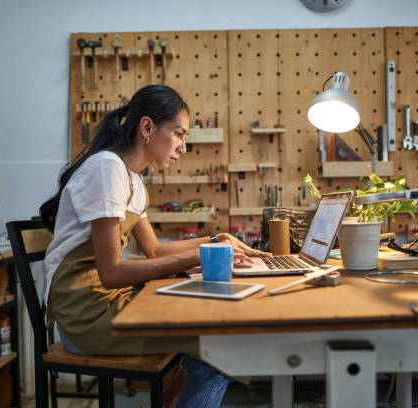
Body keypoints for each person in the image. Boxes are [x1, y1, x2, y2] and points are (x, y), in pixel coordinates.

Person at [39, 84, 269, 407]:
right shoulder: (108, 169)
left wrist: (217, 239)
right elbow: (112, 272)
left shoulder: (133, 179)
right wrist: (202, 255)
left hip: (108, 302)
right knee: (220, 343)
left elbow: (155, 250)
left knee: (208, 318)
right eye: (178, 134)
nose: (183, 147)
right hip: (85, 316)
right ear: (147, 128)